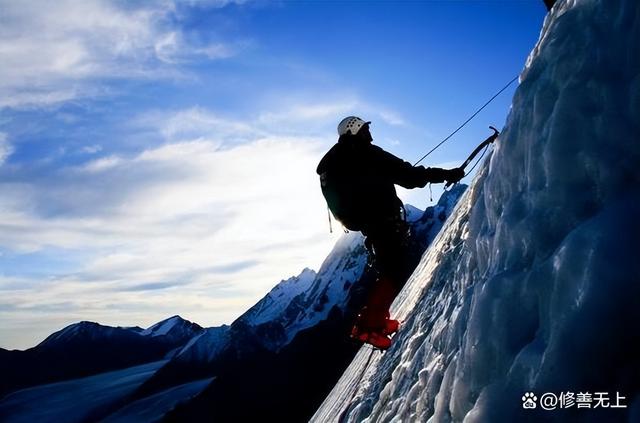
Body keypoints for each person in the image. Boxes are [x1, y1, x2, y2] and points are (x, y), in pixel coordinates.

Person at [316, 116, 465, 349]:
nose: (370, 134)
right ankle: (368, 327)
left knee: (389, 269)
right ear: (355, 131)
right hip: (383, 219)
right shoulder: (366, 154)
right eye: (365, 129)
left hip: (368, 223)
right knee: (395, 271)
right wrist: (445, 174)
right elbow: (409, 176)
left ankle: (377, 321)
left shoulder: (339, 161)